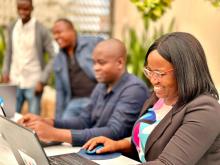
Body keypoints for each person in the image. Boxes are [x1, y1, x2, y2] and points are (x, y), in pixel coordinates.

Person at [83, 32, 220, 165]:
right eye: (149, 71)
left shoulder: (205, 110)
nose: (153, 80)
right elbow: (148, 142)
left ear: (185, 72)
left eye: (160, 73)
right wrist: (118, 145)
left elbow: (168, 163)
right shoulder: (158, 99)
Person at [18, 38, 150, 146]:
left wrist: (55, 133)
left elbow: (115, 132)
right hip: (92, 150)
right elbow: (84, 121)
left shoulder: (134, 89)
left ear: (120, 63)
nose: (95, 68)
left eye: (101, 63)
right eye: (94, 63)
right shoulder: (101, 87)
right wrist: (48, 122)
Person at [2, 0, 55, 115]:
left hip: (34, 82)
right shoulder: (12, 27)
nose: (23, 12)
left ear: (32, 8)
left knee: (33, 122)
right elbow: (9, 52)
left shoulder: (41, 30)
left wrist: (42, 80)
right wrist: (5, 71)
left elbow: (53, 56)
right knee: (8, 117)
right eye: (19, 9)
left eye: (26, 9)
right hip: (13, 80)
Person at [52, 18, 103, 120]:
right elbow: (60, 91)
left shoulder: (92, 43)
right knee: (64, 126)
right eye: (54, 34)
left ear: (72, 30)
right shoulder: (58, 59)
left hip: (96, 99)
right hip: (74, 102)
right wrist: (57, 121)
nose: (56, 37)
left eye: (59, 32)